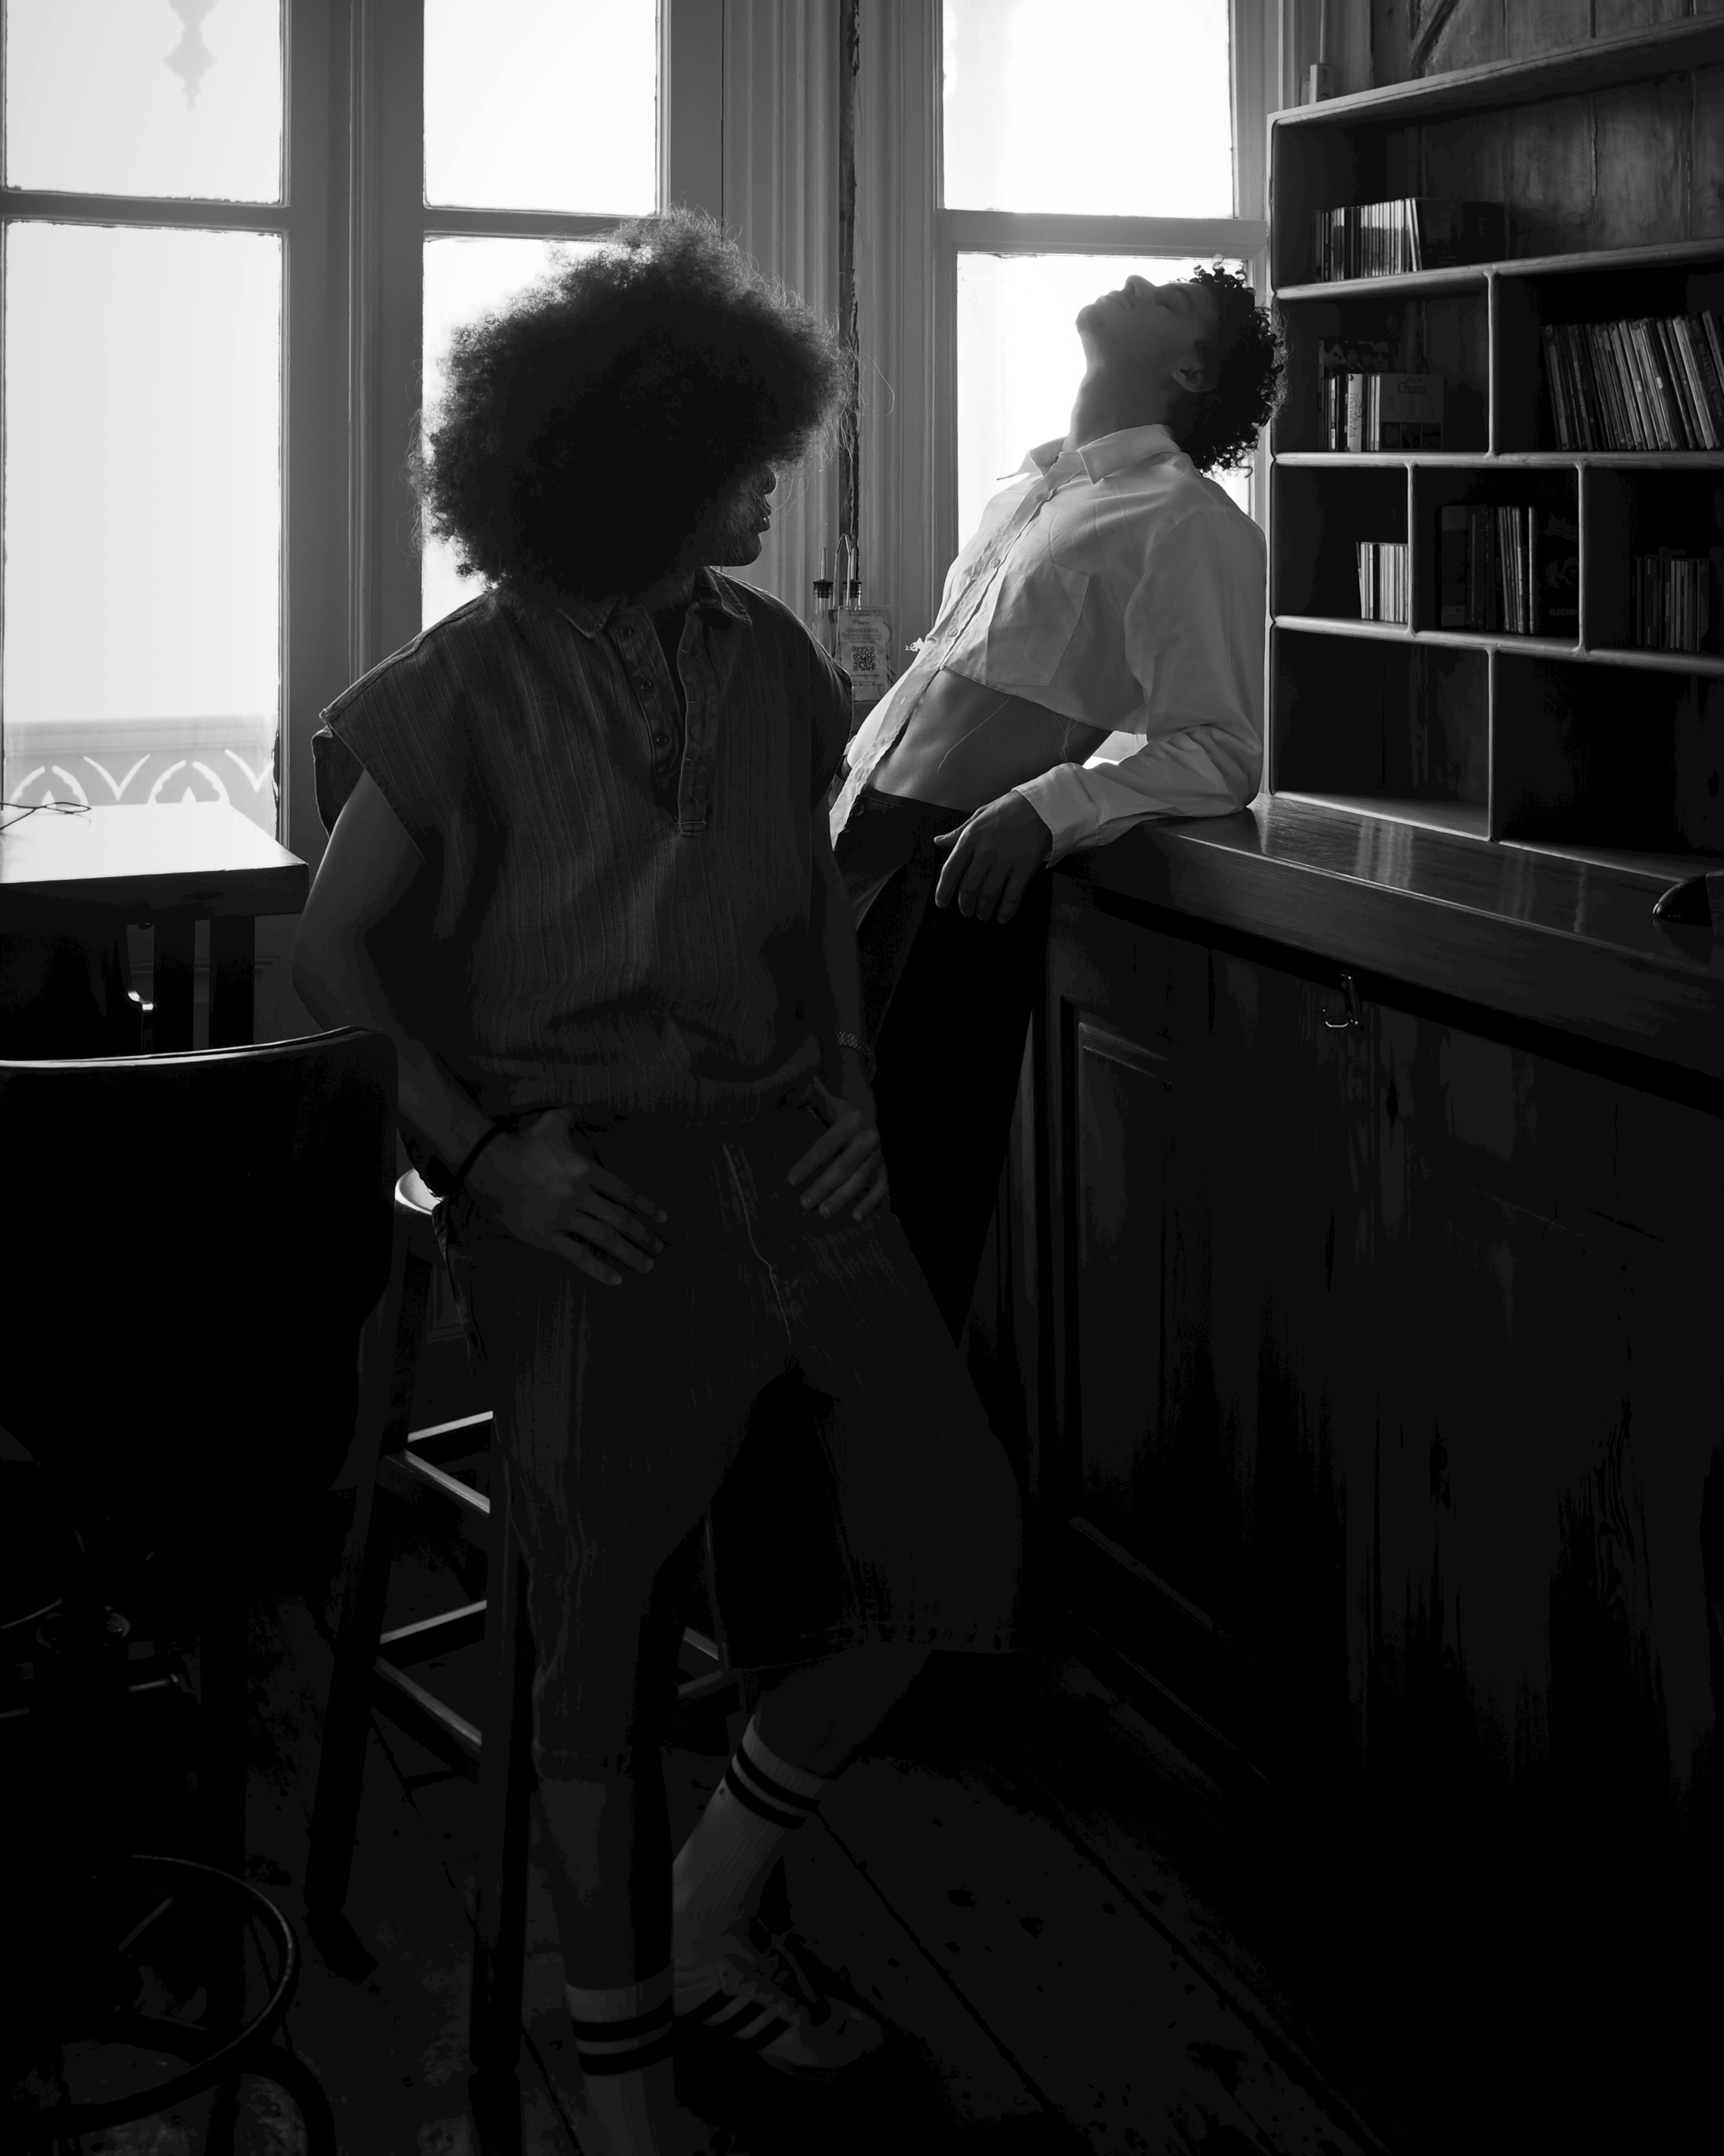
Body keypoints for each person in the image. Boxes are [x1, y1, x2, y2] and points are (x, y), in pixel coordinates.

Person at [291, 211, 1021, 2156]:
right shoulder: (453, 687)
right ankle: (621, 2093)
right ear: (634, 459)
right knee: (596, 1645)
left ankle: (710, 1901)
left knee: (957, 1548)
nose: (775, 484)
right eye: (742, 454)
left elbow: (811, 917)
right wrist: (485, 1161)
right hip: (585, 1188)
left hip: (790, 1158)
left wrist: (851, 1090)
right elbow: (333, 954)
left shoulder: (774, 658)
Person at [830, 264, 1285, 1348]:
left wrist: (1052, 803)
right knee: (793, 1184)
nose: (1130, 277)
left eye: (1167, 299)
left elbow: (1223, 750)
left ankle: (899, 1453)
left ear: (1190, 371)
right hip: (838, 854)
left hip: (945, 889)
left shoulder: (1187, 522)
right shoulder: (1028, 494)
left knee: (894, 1213)